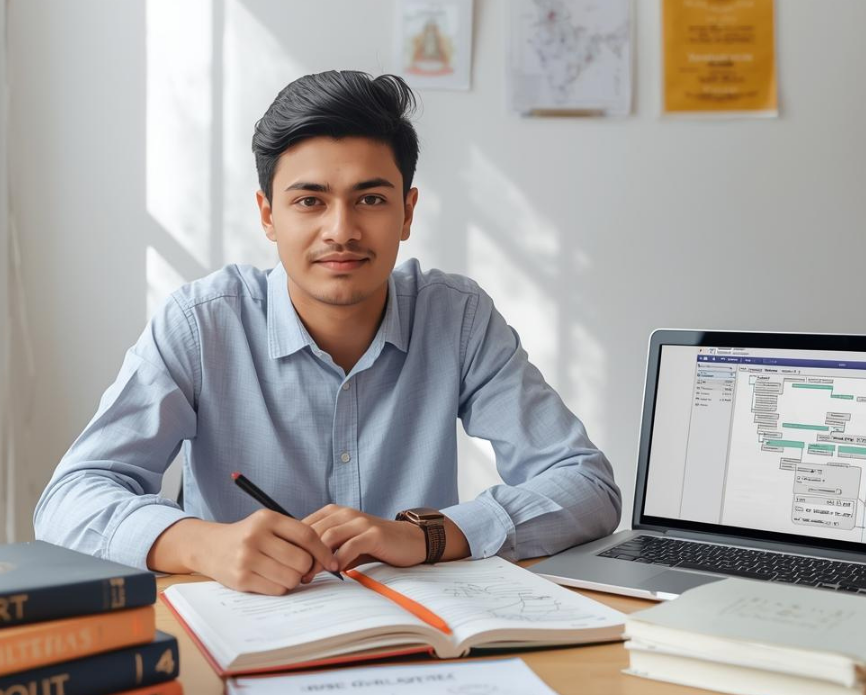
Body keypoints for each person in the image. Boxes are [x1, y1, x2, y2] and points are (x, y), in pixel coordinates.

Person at [34, 70, 621, 595]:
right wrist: (200, 544)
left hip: (421, 633)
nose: (341, 230)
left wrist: (430, 535)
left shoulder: (456, 317)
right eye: (310, 201)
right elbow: (69, 500)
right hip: (247, 628)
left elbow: (586, 484)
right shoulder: (202, 322)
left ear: (407, 213)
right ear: (268, 214)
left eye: (370, 198)